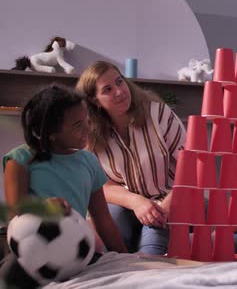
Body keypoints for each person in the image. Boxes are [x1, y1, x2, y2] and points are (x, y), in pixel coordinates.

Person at [76, 61, 186, 255]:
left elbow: (191, 167)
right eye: (108, 89)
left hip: (170, 199)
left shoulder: (159, 114)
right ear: (94, 100)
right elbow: (101, 185)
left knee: (151, 250)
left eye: (120, 82)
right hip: (126, 203)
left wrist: (167, 206)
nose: (119, 91)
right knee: (108, 244)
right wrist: (137, 202)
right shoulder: (90, 133)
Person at [3, 84, 127, 253]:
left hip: (76, 252)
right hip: (31, 254)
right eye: (78, 125)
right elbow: (15, 218)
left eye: (87, 121)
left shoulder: (89, 161)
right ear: (50, 133)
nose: (88, 129)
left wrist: (125, 259)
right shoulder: (20, 160)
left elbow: (103, 220)